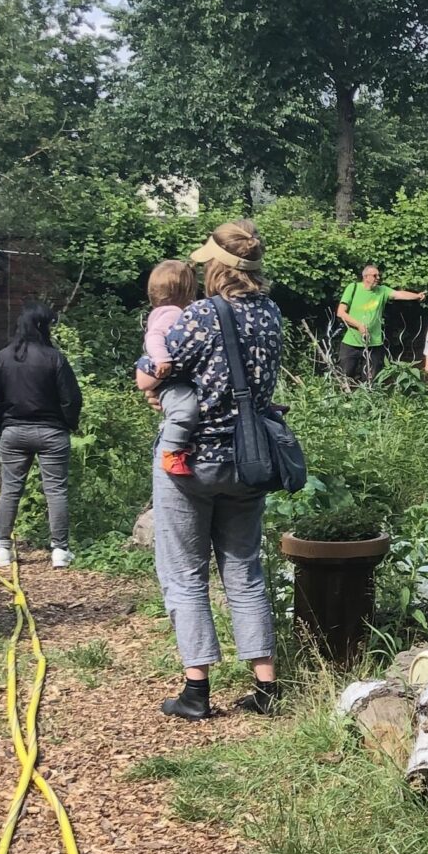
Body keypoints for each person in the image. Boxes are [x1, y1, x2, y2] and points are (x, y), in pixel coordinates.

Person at [152, 220, 285, 720]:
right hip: (250, 462)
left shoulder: (199, 317)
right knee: (244, 571)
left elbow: (155, 368)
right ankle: (266, 688)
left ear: (220, 268)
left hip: (190, 463)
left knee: (186, 574)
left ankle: (196, 691)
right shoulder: (272, 315)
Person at [0, 303, 83, 569]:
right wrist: (69, 424)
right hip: (52, 432)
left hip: (14, 431)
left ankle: (2, 548)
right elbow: (71, 398)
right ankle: (60, 551)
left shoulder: (1, 358)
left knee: (10, 490)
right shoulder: (54, 358)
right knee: (56, 490)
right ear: (43, 326)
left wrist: (0, 425)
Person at [135, 258, 201, 476]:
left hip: (167, 377)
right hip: (168, 376)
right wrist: (162, 359)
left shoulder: (165, 311)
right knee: (185, 411)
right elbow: (154, 337)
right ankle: (171, 452)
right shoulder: (173, 313)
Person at [333, 262, 424, 385]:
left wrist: (417, 296)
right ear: (366, 277)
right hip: (351, 343)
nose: (378, 278)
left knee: (371, 381)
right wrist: (359, 325)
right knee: (344, 378)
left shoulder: (382, 290)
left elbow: (399, 294)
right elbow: (341, 312)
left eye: (378, 276)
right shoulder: (353, 288)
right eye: (375, 276)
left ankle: (366, 403)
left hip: (374, 344)